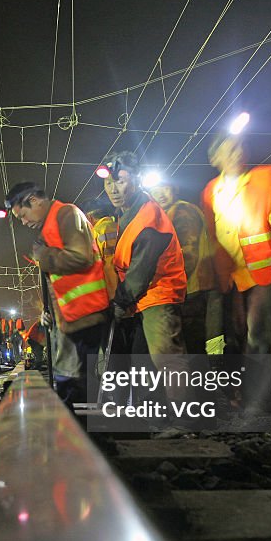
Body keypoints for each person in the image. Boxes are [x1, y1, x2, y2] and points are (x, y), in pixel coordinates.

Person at [200, 133, 271, 411]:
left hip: (262, 274)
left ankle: (258, 398)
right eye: (230, 149)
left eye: (241, 147)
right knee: (233, 338)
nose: (238, 153)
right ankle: (241, 395)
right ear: (214, 158)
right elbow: (208, 235)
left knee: (258, 336)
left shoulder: (264, 180)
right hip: (228, 277)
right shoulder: (210, 191)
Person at [6, 182, 109, 404]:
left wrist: (44, 256)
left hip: (85, 313)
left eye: (22, 215)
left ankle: (84, 432)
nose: (24, 222)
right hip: (71, 316)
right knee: (71, 380)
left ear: (34, 200)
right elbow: (57, 280)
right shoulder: (51, 225)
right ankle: (81, 430)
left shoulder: (66, 214)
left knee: (76, 382)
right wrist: (50, 311)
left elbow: (80, 257)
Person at [102, 152, 188, 405]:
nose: (113, 189)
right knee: (148, 361)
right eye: (108, 183)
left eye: (120, 181)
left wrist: (120, 301)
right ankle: (158, 415)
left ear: (137, 180)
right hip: (145, 298)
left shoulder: (147, 217)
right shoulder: (130, 212)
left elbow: (141, 269)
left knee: (167, 358)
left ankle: (184, 420)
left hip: (158, 294)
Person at [149, 178, 216, 354]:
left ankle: (201, 380)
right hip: (191, 289)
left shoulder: (181, 211)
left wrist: (170, 285)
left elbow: (187, 253)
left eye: (165, 188)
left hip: (191, 289)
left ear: (174, 188)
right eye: (155, 190)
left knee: (193, 347)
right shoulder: (169, 213)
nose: (160, 194)